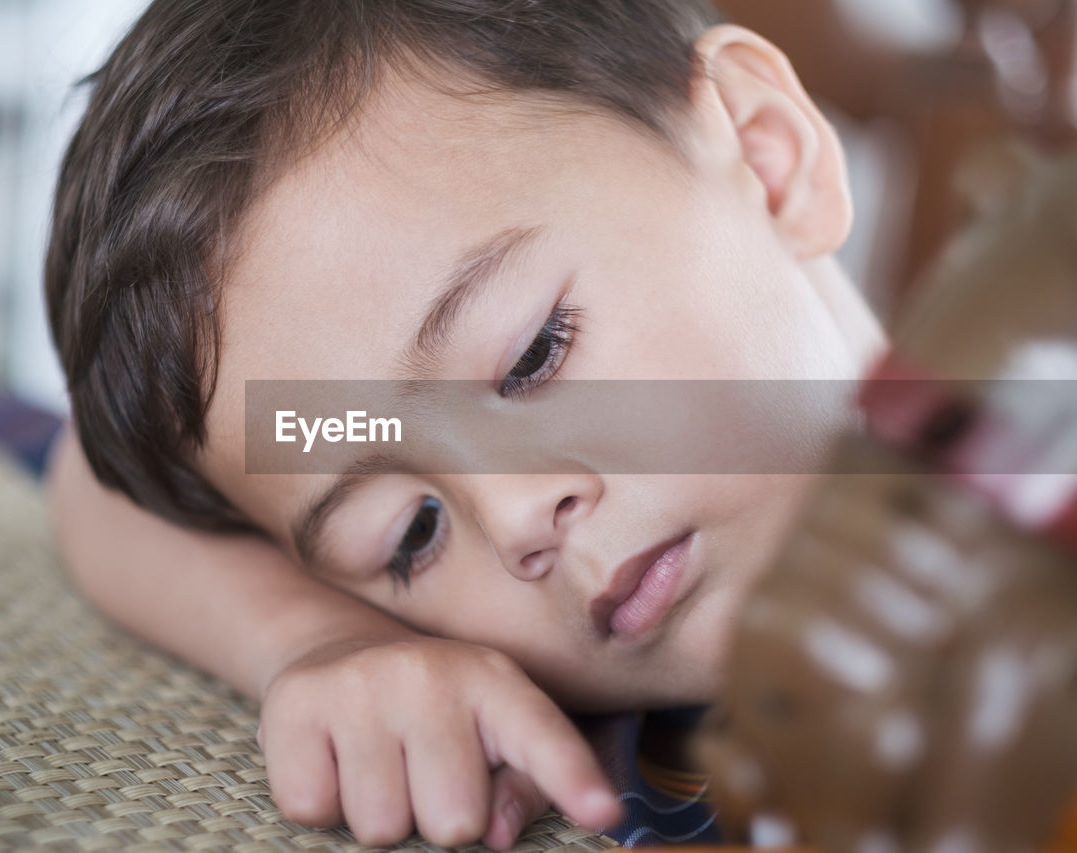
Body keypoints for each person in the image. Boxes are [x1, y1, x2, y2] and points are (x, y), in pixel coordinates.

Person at [43, 0, 887, 848]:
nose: (512, 515)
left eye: (532, 356)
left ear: (765, 154)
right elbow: (88, 476)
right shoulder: (519, 698)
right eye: (413, 533)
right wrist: (317, 639)